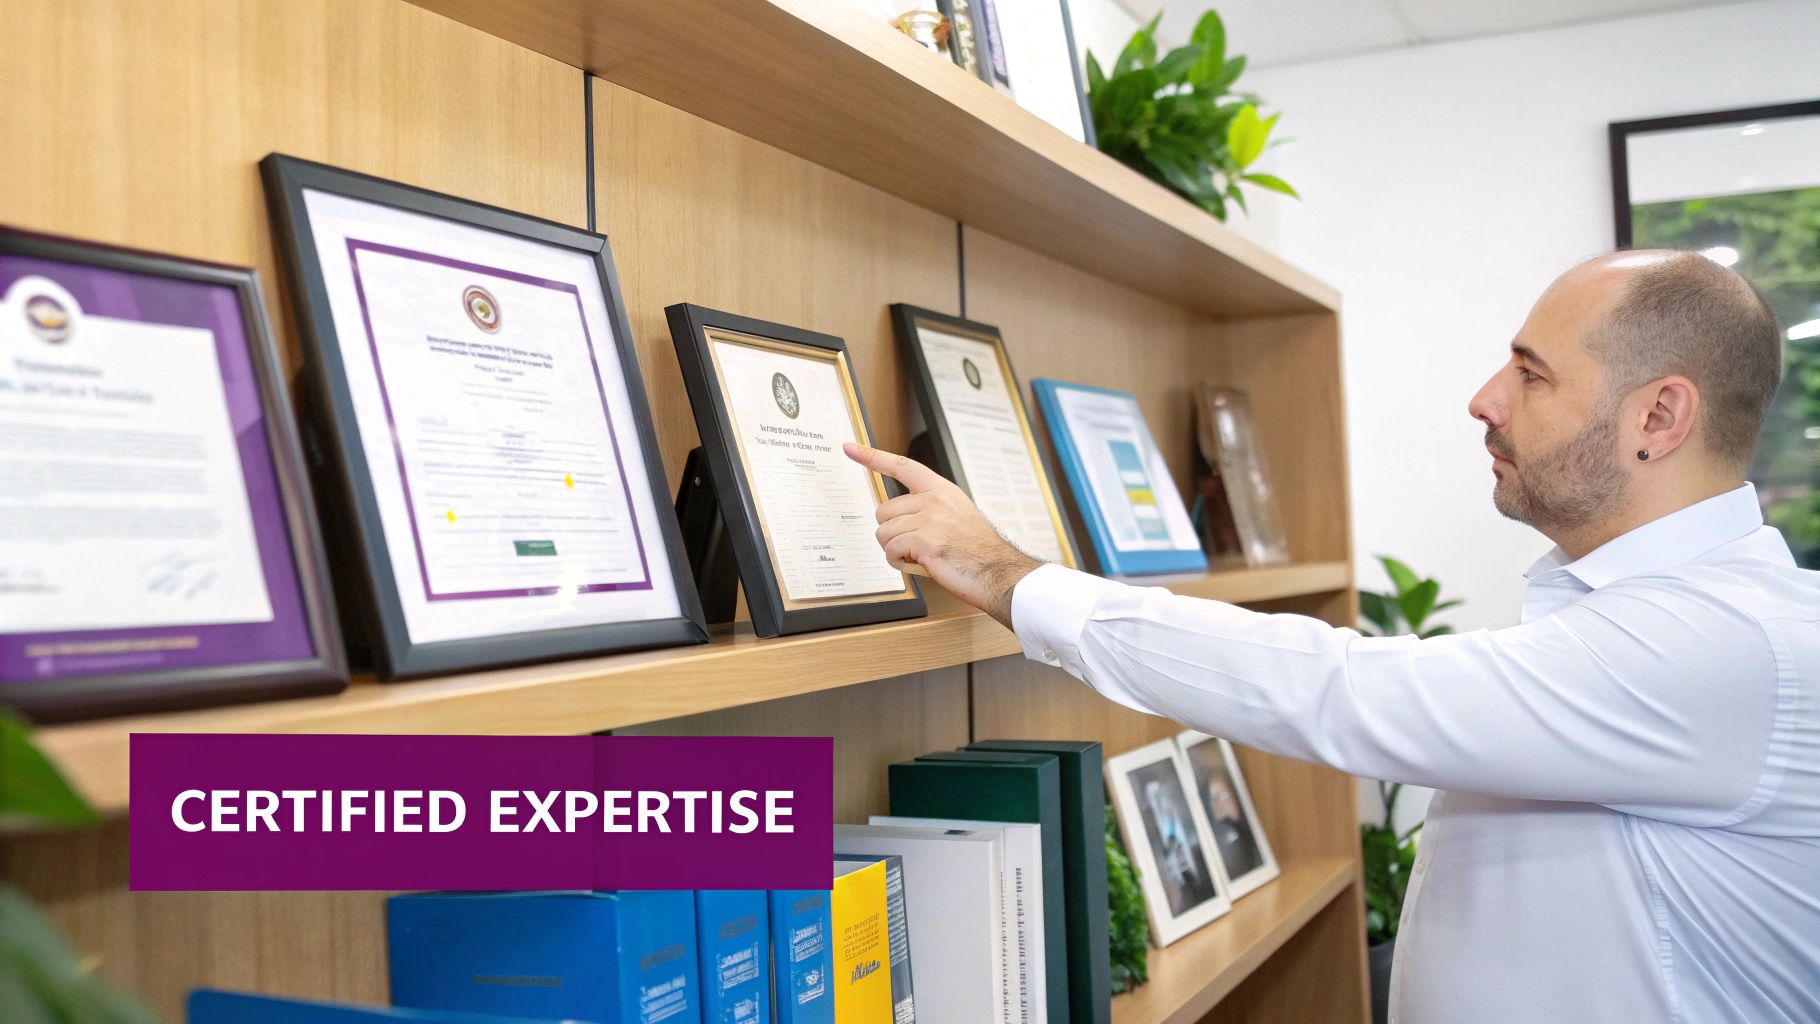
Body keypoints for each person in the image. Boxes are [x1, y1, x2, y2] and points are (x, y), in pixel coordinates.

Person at [843, 250, 1820, 1023]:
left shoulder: (1731, 641)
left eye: (1531, 374)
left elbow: (1344, 692)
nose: (1485, 398)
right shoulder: (1667, 619)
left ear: (1658, 416)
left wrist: (1008, 576)